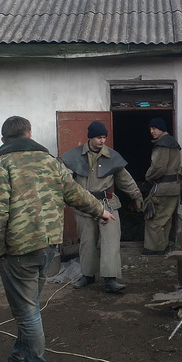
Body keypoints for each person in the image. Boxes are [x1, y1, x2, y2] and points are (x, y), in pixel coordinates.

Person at [0, 116, 114, 362]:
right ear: (29, 134)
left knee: (27, 313)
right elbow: (74, 193)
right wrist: (100, 210)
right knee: (28, 310)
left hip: (18, 251)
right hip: (48, 246)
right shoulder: (50, 161)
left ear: (4, 139)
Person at [61, 121, 144, 293]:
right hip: (84, 206)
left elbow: (125, 179)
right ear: (90, 137)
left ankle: (110, 279)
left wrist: (136, 196)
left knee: (111, 241)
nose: (102, 140)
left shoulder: (112, 156)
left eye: (104, 137)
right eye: (99, 137)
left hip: (108, 204)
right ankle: (87, 275)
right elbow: (65, 181)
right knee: (87, 242)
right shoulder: (74, 156)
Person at [142, 118, 182, 255]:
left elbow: (158, 167)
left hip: (163, 187)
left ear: (162, 129)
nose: (152, 131)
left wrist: (147, 177)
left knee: (155, 218)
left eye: (155, 128)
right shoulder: (172, 142)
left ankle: (154, 248)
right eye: (150, 129)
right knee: (165, 218)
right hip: (173, 187)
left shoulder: (162, 144)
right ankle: (162, 245)